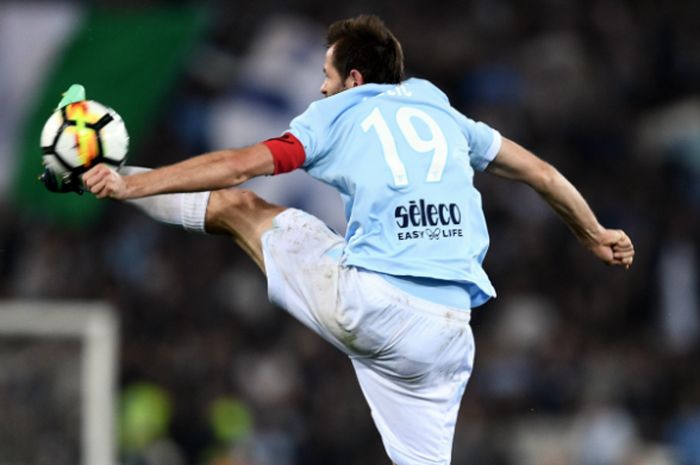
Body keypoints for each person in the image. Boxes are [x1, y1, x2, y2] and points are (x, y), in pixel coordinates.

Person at [70, 14, 634, 465]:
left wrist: (131, 185)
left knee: (240, 209)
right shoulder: (441, 110)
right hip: (449, 336)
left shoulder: (336, 113)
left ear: (354, 80)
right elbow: (541, 172)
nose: (321, 85)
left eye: (327, 73)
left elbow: (238, 167)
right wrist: (594, 233)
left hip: (376, 306)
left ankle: (115, 177)